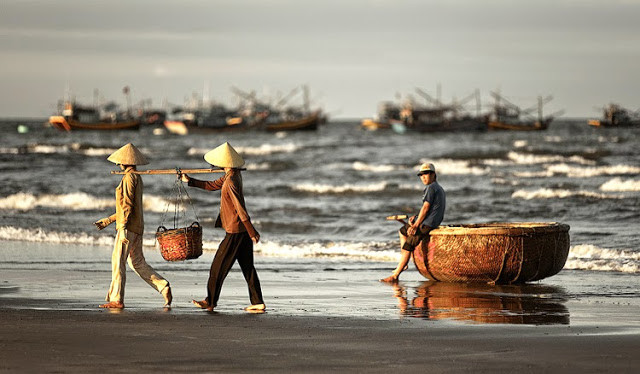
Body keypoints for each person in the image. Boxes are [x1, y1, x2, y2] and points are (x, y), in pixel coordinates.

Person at [179, 142, 265, 312]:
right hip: (240, 231)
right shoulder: (231, 175)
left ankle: (210, 301)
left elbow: (240, 208)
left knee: (217, 267)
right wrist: (190, 181)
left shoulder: (231, 180)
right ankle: (257, 302)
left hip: (236, 231)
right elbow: (211, 186)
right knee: (248, 268)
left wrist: (251, 231)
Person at [94, 143, 172, 309]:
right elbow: (126, 207)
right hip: (137, 227)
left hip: (128, 227)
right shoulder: (136, 177)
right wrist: (108, 220)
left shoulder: (129, 178)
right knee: (136, 262)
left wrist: (123, 226)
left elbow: (127, 206)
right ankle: (162, 286)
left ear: (124, 162)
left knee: (118, 261)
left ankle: (117, 299)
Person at [381, 162, 445, 282]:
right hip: (430, 222)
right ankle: (403, 263)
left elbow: (426, 208)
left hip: (428, 224)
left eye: (426, 174)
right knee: (402, 231)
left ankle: (396, 275)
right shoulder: (438, 188)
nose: (423, 177)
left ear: (433, 174)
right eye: (421, 175)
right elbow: (430, 209)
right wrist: (415, 219)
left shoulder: (430, 188)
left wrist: (416, 225)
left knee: (408, 246)